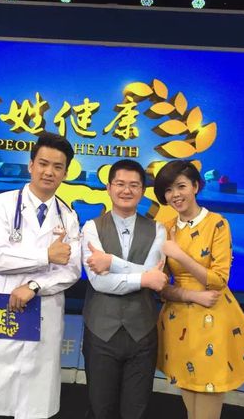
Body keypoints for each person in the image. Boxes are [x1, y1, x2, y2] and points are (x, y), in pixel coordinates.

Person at [0, 132, 82, 419]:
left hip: (44, 312)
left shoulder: (68, 216)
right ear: (31, 165)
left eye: (58, 167)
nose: (49, 172)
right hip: (2, 309)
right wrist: (45, 256)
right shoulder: (1, 205)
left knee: (33, 406)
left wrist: (35, 285)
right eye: (43, 164)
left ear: (65, 173)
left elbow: (71, 269)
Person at [153, 161, 244, 419]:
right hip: (178, 321)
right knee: (191, 407)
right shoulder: (165, 228)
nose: (175, 195)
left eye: (181, 186)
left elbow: (218, 280)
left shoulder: (217, 223)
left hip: (212, 319)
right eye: (169, 190)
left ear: (195, 186)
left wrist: (179, 255)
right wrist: (190, 294)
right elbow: (161, 286)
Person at [81, 159, 169, 419]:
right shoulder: (91, 228)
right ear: (109, 188)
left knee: (136, 410)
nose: (126, 190)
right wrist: (145, 279)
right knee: (101, 408)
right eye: (120, 184)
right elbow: (99, 281)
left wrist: (112, 262)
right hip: (100, 332)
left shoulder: (158, 229)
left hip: (142, 332)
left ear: (142, 190)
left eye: (134, 185)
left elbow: (154, 271)